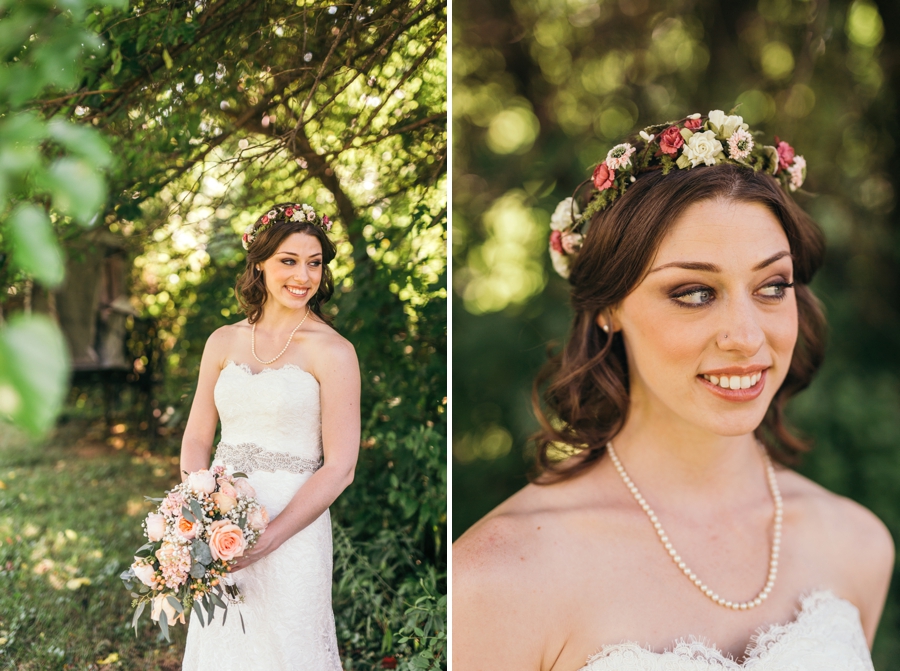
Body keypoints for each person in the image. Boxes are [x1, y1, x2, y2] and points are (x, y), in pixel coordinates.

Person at [453, 112, 893, 670]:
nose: (746, 337)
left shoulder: (857, 546)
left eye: (771, 286)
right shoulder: (496, 580)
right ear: (608, 307)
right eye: (694, 293)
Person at [180, 203, 360, 670]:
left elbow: (341, 467)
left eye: (314, 263)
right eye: (289, 260)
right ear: (259, 262)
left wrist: (272, 537)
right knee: (225, 644)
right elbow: (197, 437)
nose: (303, 276)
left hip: (293, 524)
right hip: (222, 523)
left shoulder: (334, 351)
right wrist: (202, 512)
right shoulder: (222, 341)